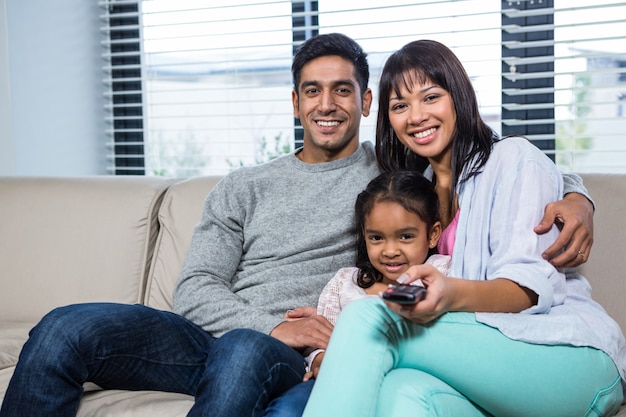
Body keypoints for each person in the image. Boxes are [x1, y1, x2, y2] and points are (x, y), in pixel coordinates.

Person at [0, 33, 596, 417]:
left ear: (366, 105)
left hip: (288, 352)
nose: (327, 104)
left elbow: (493, 162)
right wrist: (273, 327)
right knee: (63, 328)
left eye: (344, 90)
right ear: (294, 102)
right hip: (222, 337)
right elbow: (195, 291)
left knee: (240, 352)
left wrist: (577, 196)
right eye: (312, 91)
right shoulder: (241, 186)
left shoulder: (393, 171)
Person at [301, 39, 626, 417]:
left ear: (459, 96)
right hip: (486, 370)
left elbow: (528, 290)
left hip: (565, 355)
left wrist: (448, 295)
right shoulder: (413, 187)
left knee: (370, 318)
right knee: (400, 394)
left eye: (431, 97)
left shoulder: (512, 158)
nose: (416, 116)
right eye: (400, 106)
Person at [303, 170, 451, 380]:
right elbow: (320, 340)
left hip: (411, 378)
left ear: (433, 234)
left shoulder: (441, 271)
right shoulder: (344, 283)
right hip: (349, 378)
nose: (390, 251)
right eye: (377, 238)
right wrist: (319, 359)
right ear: (364, 236)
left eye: (406, 236)